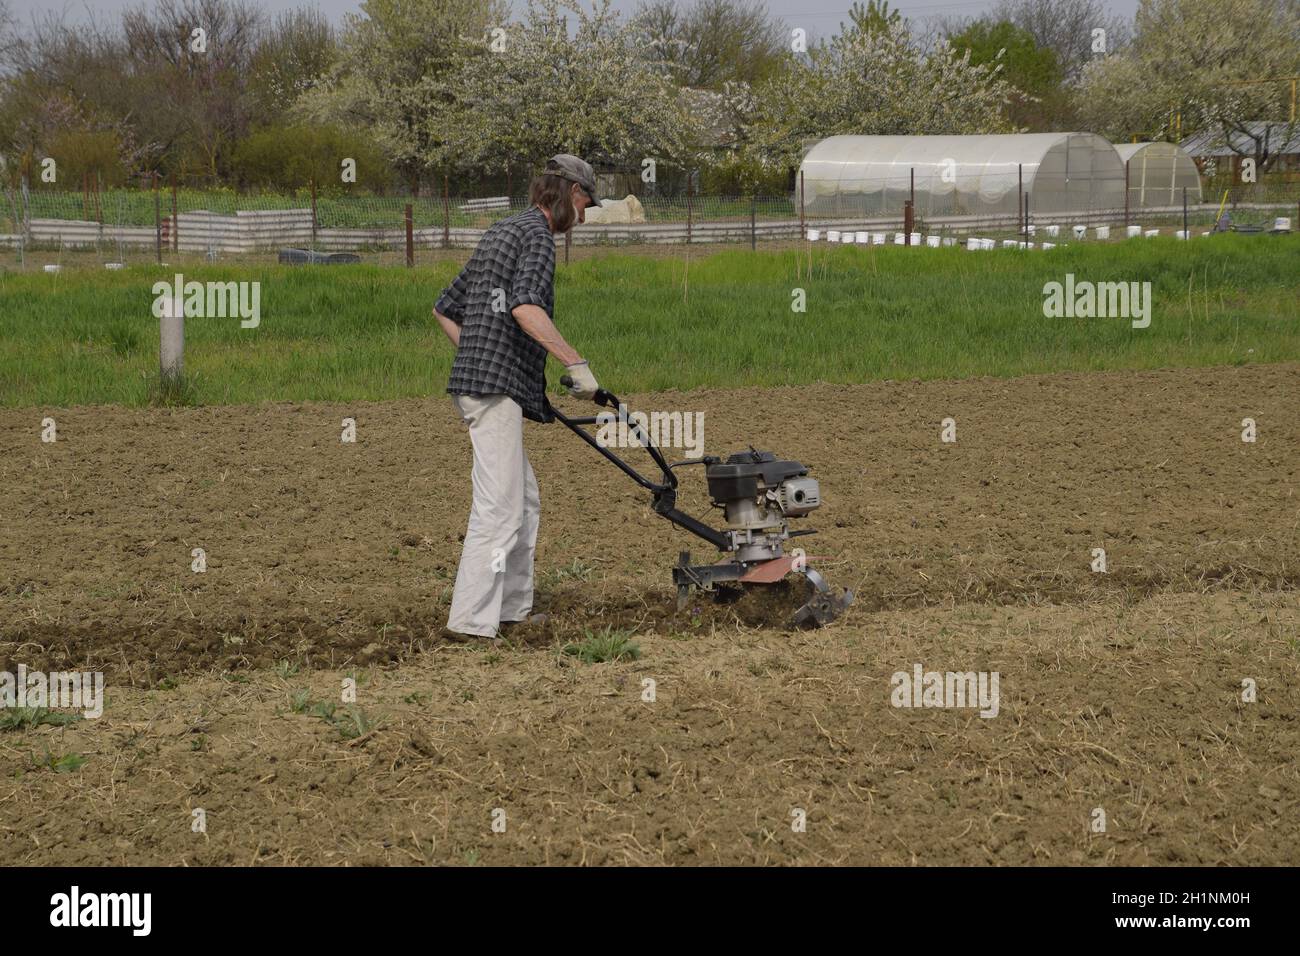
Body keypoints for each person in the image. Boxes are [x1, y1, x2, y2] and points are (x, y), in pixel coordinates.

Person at [433, 154, 601, 639]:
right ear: (571, 194)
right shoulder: (537, 238)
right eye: (587, 204)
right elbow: (526, 306)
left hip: (482, 383)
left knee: (522, 501)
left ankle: (510, 610)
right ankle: (469, 622)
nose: (585, 218)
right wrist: (575, 364)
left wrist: (485, 349)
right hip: (493, 391)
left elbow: (445, 307)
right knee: (500, 507)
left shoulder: (502, 231)